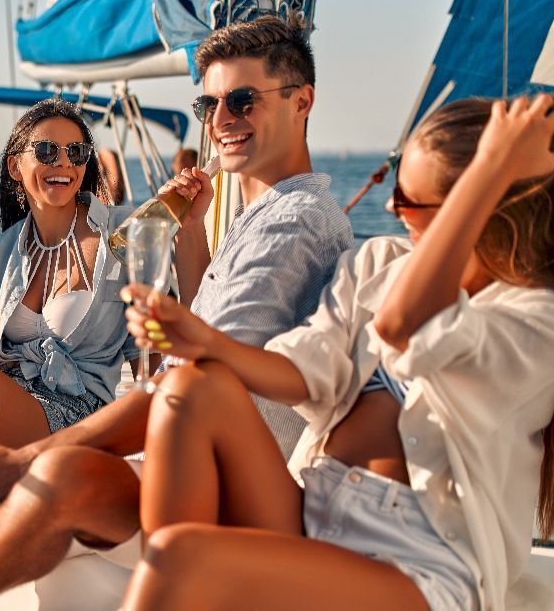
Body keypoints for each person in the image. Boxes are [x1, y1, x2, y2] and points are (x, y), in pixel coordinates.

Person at [0, 14, 354, 609]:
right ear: (17, 166)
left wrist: (27, 459)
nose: (220, 122)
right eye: (208, 105)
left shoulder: (288, 226)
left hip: (195, 472)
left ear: (302, 103)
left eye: (242, 101)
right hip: (150, 442)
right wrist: (190, 233)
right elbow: (194, 347)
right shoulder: (251, 223)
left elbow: (199, 382)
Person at [119, 96, 554, 610]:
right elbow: (304, 370)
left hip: (417, 565)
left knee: (178, 555)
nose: (392, 209)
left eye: (411, 202)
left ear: (476, 209)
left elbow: (400, 326)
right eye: (396, 192)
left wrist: (492, 167)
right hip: (317, 513)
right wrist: (205, 342)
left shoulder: (535, 318)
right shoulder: (382, 260)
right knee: (189, 387)